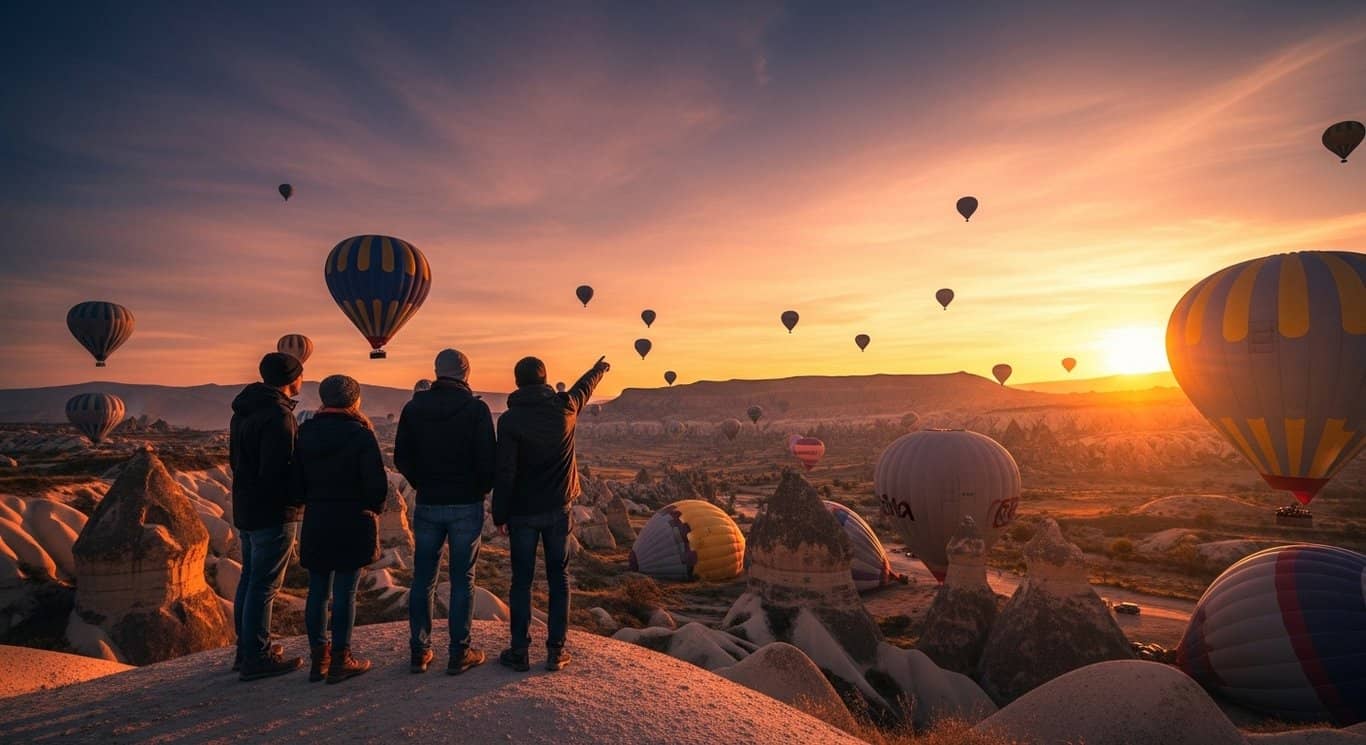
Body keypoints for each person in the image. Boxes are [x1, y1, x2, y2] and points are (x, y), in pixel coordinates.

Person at [492, 355, 609, 672]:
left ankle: (519, 651)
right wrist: (598, 369)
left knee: (522, 582)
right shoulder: (565, 407)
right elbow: (584, 388)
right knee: (559, 579)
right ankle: (556, 651)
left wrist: (499, 514)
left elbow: (505, 471)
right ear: (545, 380)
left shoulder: (509, 420)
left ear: (517, 382)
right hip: (558, 509)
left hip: (522, 512)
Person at [395, 349, 497, 675]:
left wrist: (421, 482)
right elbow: (488, 460)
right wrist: (478, 490)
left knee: (423, 578)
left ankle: (420, 651)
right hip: (466, 504)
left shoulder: (413, 408)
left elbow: (401, 457)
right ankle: (459, 653)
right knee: (462, 579)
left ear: (437, 371)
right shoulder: (476, 409)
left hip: (428, 503)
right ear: (466, 373)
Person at [292, 375, 387, 684]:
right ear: (354, 400)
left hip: (318, 519)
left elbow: (296, 482)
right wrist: (373, 508)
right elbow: (376, 485)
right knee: (345, 592)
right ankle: (341, 659)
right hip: (352, 520)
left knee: (317, 592)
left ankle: (319, 658)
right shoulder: (361, 434)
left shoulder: (306, 432)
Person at [229, 352, 305, 680]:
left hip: (246, 505)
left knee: (250, 580)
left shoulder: (243, 411)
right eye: (300, 375)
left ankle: (246, 650)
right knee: (265, 586)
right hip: (273, 511)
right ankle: (257, 657)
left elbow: (236, 461)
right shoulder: (279, 416)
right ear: (291, 378)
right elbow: (279, 471)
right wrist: (300, 496)